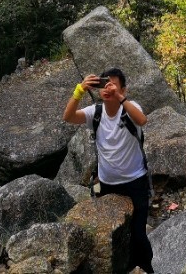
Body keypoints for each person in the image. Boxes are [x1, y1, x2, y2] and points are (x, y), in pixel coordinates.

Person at [63, 67, 154, 274]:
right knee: (111, 235)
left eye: (113, 84)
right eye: (104, 83)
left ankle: (147, 268)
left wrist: (121, 98)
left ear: (124, 89)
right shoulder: (94, 113)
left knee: (138, 233)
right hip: (108, 184)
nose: (107, 88)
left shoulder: (129, 108)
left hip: (136, 182)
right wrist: (79, 90)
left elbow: (142, 120)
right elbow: (68, 117)